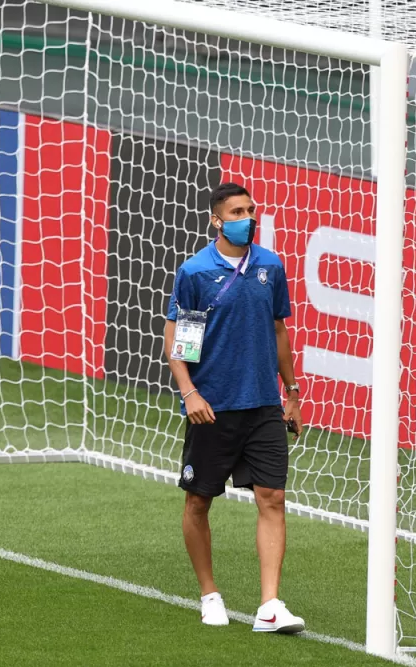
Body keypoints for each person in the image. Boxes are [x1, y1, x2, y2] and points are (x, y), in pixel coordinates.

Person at [163, 182, 304, 633]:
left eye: (251, 209)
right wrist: (190, 393)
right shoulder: (195, 272)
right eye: (238, 211)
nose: (249, 217)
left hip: (263, 403)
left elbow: (279, 330)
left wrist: (293, 392)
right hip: (213, 406)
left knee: (273, 498)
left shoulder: (270, 265)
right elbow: (179, 342)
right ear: (217, 220)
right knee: (199, 501)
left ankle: (269, 606)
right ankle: (209, 594)